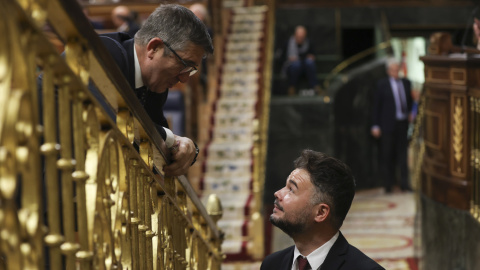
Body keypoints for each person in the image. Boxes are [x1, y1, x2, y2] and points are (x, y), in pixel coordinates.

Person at [100, 4, 213, 176]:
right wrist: (172, 139)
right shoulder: (105, 53)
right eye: (185, 66)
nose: (184, 78)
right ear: (154, 48)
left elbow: (160, 147)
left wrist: (189, 148)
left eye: (191, 70)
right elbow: (111, 119)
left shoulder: (155, 85)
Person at [261, 150, 384, 270]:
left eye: (291, 189)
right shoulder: (272, 264)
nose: (277, 193)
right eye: (285, 186)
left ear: (321, 213)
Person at [371, 58, 413, 193]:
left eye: (397, 69)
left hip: (403, 124)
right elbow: (376, 106)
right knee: (387, 155)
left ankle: (405, 184)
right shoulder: (382, 85)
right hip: (387, 125)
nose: (396, 72)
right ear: (388, 71)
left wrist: (412, 113)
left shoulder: (406, 83)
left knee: (403, 155)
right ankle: (388, 185)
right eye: (393, 69)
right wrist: (375, 125)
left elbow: (410, 102)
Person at [285, 25, 320, 96]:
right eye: (299, 37)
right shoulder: (288, 43)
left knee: (309, 63)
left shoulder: (309, 42)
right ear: (295, 35)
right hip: (293, 67)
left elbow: (313, 54)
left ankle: (315, 86)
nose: (300, 39)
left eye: (302, 37)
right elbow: (282, 57)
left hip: (306, 67)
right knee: (296, 64)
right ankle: (292, 87)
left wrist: (311, 57)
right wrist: (289, 58)